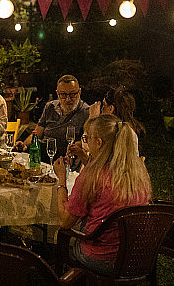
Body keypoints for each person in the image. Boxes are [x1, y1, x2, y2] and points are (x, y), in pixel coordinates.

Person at [54, 114, 151, 276]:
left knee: (66, 236)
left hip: (102, 258)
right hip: (137, 256)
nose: (86, 142)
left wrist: (61, 182)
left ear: (98, 142)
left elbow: (65, 221)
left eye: (87, 138)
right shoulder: (139, 172)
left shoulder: (91, 177)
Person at [15, 74, 89, 160]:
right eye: (63, 94)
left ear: (79, 92)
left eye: (72, 94)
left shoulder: (85, 112)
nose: (68, 99)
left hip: (63, 159)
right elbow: (36, 134)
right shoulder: (50, 107)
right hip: (43, 154)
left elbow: (83, 143)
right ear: (57, 93)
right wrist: (24, 144)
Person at [72, 86, 146, 162]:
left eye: (104, 105)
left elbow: (87, 147)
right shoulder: (128, 129)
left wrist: (92, 119)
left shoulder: (112, 131)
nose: (101, 109)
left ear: (111, 108)